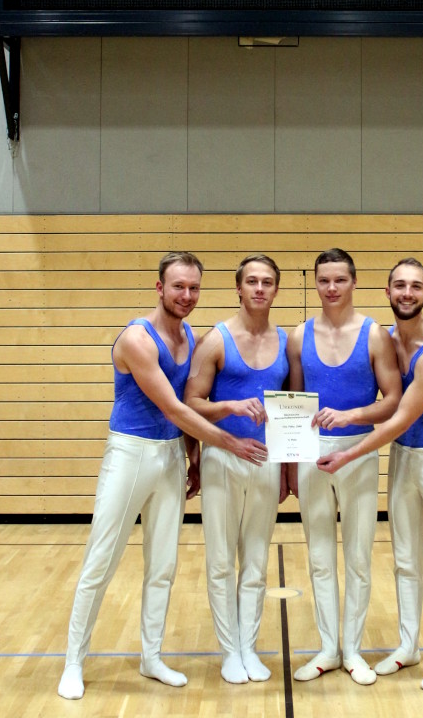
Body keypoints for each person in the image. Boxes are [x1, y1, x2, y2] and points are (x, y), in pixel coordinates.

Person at [57, 251, 268, 701]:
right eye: (178, 287)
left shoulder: (190, 334)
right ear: (159, 287)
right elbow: (171, 407)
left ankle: (151, 657)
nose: (187, 296)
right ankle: (74, 661)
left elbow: (188, 407)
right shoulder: (137, 339)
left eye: (194, 288)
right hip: (131, 455)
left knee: (162, 567)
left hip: (170, 455)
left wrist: (192, 456)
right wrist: (229, 442)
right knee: (102, 561)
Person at [317, 257, 423, 692]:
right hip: (403, 457)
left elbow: (398, 417)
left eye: (415, 286)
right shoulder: (387, 340)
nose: (406, 293)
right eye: (399, 285)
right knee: (404, 559)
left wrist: (347, 452)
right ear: (386, 292)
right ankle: (408, 645)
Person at [286, 248, 401, 685]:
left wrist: (350, 416)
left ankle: (352, 649)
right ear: (314, 284)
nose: (331, 288)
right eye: (323, 280)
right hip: (314, 454)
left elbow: (392, 401)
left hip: (360, 452)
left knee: (356, 556)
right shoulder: (299, 336)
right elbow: (295, 407)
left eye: (339, 280)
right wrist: (291, 464)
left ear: (354, 282)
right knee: (319, 557)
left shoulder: (375, 335)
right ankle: (328, 649)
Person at [184, 253, 288, 685]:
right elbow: (189, 404)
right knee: (222, 561)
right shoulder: (216, 340)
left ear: (276, 290)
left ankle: (249, 646)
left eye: (267, 281)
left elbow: (291, 408)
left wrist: (288, 466)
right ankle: (229, 651)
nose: (259, 288)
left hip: (265, 460)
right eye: (252, 281)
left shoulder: (288, 340)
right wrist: (229, 406)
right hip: (223, 458)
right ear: (239, 288)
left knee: (257, 562)